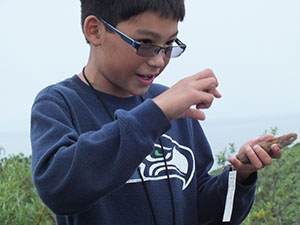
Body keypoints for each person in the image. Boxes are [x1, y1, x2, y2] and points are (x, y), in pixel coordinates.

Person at [30, 1, 282, 224]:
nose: (159, 61)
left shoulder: (170, 105)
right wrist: (157, 113)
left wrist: (239, 176)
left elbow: (200, 209)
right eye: (146, 43)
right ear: (95, 30)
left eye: (169, 44)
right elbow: (58, 189)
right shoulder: (58, 104)